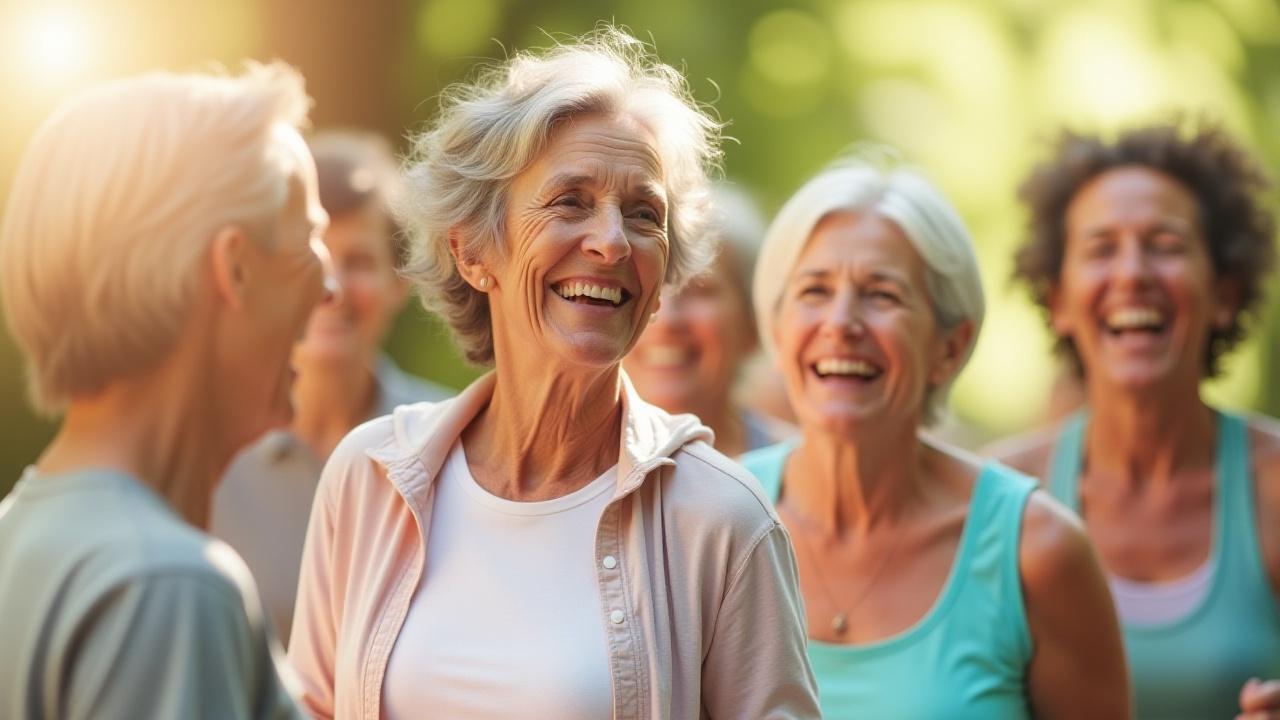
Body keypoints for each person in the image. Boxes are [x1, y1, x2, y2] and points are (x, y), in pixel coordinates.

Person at [287, 29, 820, 720]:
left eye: (642, 214)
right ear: (475, 251)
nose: (611, 240)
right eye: (570, 201)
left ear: (661, 281)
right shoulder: (369, 478)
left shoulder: (720, 520)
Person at [740, 157, 1130, 718]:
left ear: (949, 347)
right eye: (814, 291)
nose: (842, 322)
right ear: (778, 332)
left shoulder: (1037, 551)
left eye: (881, 294)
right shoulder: (716, 520)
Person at [0, 63, 332, 718]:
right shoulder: (170, 585)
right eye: (310, 241)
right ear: (232, 267)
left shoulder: (20, 536)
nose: (330, 290)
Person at [989, 121, 1280, 719]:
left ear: (1224, 292)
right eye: (1101, 249)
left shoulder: (1273, 487)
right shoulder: (998, 503)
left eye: (1165, 245)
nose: (1132, 274)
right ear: (1059, 301)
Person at [211, 129, 451, 641]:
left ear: (400, 281)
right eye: (312, 257)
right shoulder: (207, 454)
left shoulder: (457, 442)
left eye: (359, 262)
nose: (334, 288)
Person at [623, 183, 792, 456]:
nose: (667, 319)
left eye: (700, 289)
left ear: (753, 320)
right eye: (648, 285)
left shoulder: (806, 477)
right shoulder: (557, 475)